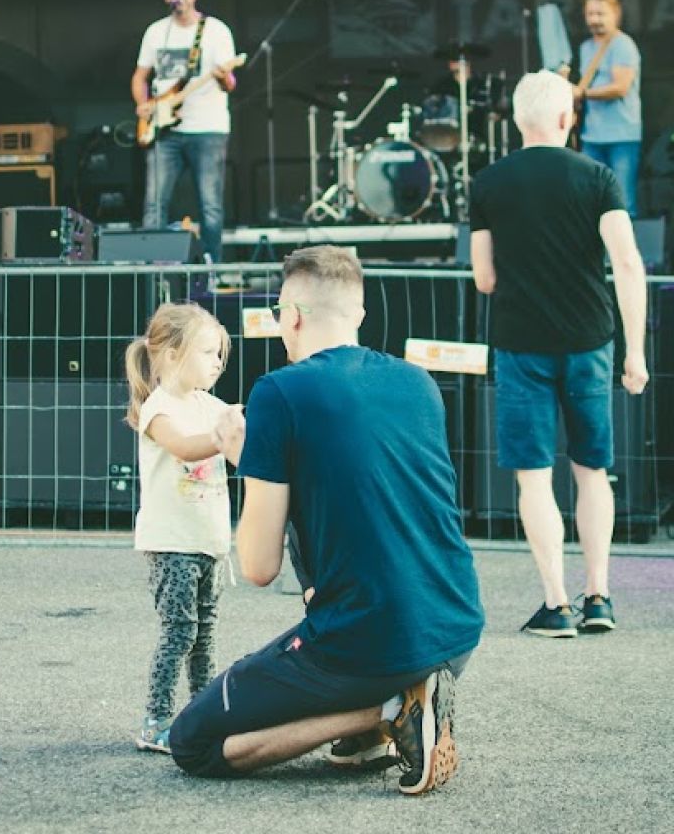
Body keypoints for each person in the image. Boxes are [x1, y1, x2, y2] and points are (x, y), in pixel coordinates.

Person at [167, 245, 485, 795]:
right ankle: (395, 703)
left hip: (374, 643)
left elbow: (260, 565)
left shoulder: (280, 391)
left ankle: (389, 710)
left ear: (289, 316)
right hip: (455, 628)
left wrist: (254, 464)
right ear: (359, 315)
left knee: (192, 742)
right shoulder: (419, 384)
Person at [469, 70, 649, 638]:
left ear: (517, 120)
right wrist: (635, 351)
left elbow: (484, 278)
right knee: (594, 472)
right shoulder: (597, 176)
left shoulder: (489, 182)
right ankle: (599, 595)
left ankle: (556, 603)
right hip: (591, 341)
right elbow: (626, 263)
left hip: (523, 344)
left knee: (535, 477)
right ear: (568, 118)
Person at [124, 302, 244, 753]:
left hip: (209, 541)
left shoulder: (209, 405)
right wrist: (223, 436)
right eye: (209, 352)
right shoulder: (159, 409)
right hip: (172, 542)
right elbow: (185, 447)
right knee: (180, 631)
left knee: (204, 632)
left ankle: (202, 715)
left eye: (219, 354)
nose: (217, 362)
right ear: (173, 354)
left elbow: (239, 440)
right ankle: (155, 720)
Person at [131, 0, 237, 261]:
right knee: (154, 204)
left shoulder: (215, 31)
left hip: (208, 128)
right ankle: (152, 270)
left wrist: (222, 77)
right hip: (164, 129)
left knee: (210, 205)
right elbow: (140, 76)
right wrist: (143, 103)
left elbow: (230, 84)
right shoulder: (156, 32)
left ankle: (211, 270)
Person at [574, 0, 642, 218]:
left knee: (622, 203)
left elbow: (620, 87)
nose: (594, 20)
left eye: (600, 14)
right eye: (590, 14)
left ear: (615, 13)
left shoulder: (623, 45)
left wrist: (582, 94)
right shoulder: (585, 48)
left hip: (622, 135)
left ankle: (622, 255)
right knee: (591, 202)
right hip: (591, 136)